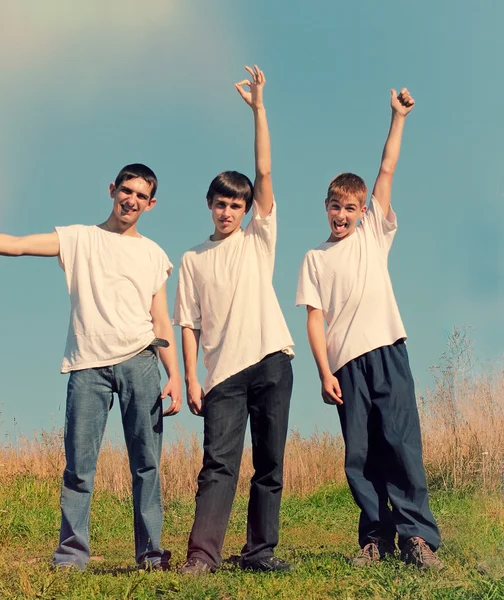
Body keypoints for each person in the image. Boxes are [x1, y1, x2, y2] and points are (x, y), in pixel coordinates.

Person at [0, 163, 182, 571]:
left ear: (151, 204)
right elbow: (18, 245)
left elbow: (161, 320)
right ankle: (71, 556)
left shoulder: (154, 254)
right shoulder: (79, 238)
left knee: (147, 465)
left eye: (140, 195)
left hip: (141, 361)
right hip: (88, 366)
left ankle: (152, 555)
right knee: (79, 467)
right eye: (126, 190)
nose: (131, 200)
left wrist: (176, 375)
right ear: (112, 189)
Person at [296, 89, 443, 569]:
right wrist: (323, 372)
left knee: (401, 441)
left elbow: (386, 169)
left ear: (363, 213)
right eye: (335, 206)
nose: (342, 215)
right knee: (359, 454)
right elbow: (314, 317)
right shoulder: (314, 258)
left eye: (350, 208)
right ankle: (375, 538)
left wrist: (397, 118)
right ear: (326, 206)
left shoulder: (373, 234)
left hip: (387, 351)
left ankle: (415, 537)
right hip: (345, 366)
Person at [173, 66, 294, 574]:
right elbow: (187, 323)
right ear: (209, 205)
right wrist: (191, 377)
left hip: (271, 360)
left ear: (248, 210)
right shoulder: (193, 259)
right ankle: (202, 557)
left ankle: (260, 552)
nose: (228, 212)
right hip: (221, 376)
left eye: (236, 205)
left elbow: (264, 172)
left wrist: (258, 108)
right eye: (221, 203)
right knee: (218, 466)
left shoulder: (257, 241)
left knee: (269, 463)